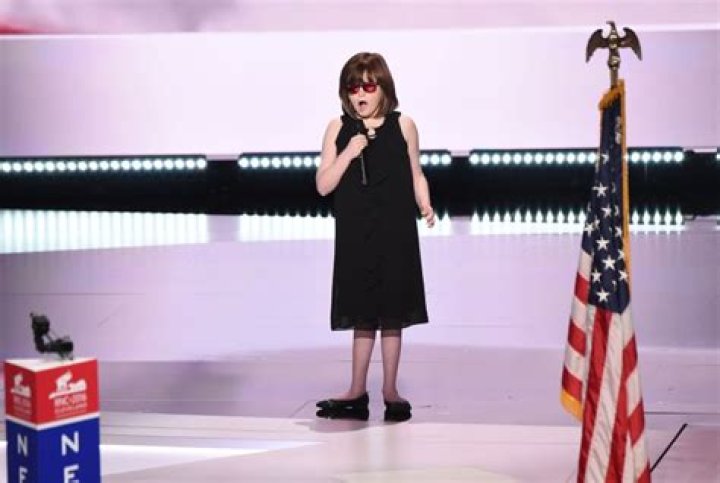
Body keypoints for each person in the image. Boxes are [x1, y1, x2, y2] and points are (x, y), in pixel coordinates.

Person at [315, 52, 435, 422]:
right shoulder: (338, 128)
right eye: (353, 87)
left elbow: (416, 172)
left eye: (368, 86)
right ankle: (356, 390)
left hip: (395, 228)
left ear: (383, 88)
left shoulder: (404, 125)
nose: (360, 94)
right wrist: (349, 152)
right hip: (356, 230)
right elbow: (323, 185)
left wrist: (425, 203)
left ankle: (390, 390)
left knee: (393, 311)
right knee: (362, 311)